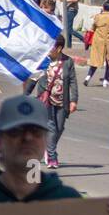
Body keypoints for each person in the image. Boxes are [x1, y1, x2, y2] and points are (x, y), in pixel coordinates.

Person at [33, 35, 78, 169]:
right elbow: (34, 78)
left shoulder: (68, 62)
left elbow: (73, 81)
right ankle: (52, 157)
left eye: (51, 46)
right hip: (45, 100)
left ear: (59, 48)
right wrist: (25, 94)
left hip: (62, 100)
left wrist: (74, 100)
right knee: (51, 127)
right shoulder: (43, 60)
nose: (48, 49)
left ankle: (48, 148)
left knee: (59, 128)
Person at [85, 1, 109, 87]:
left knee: (95, 60)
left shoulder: (97, 17)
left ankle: (88, 77)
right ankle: (106, 80)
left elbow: (93, 27)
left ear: (103, 8)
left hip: (98, 41)